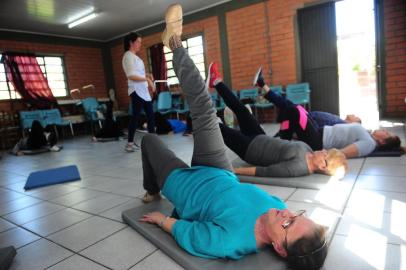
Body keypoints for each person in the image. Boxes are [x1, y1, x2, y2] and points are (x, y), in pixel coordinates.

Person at [138, 5, 328, 270]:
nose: (288, 213)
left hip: (187, 189)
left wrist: (164, 221)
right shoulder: (278, 207)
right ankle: (174, 43)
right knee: (205, 108)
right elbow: (244, 195)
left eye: (289, 223)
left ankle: (151, 187)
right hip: (219, 170)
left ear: (278, 248)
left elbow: (191, 235)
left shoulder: (231, 242)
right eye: (297, 215)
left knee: (149, 141)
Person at [205, 63, 347, 178]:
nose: (323, 150)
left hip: (250, 150)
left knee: (219, 129)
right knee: (241, 109)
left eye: (326, 154)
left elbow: (266, 172)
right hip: (260, 137)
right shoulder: (309, 150)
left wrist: (234, 170)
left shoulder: (297, 167)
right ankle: (216, 81)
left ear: (323, 165)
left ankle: (200, 115)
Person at [252, 70, 401, 158]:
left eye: (386, 133)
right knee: (293, 110)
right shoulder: (368, 135)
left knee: (293, 110)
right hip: (318, 133)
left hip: (318, 141)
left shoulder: (369, 143)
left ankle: (282, 140)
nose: (384, 130)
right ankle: (282, 140)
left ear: (382, 142)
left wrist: (324, 156)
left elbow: (341, 153)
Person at [253, 67, 361, 129]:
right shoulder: (340, 121)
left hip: (308, 120)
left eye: (356, 117)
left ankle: (261, 83)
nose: (354, 115)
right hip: (307, 116)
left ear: (354, 124)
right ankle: (261, 84)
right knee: (286, 104)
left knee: (286, 104)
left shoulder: (343, 125)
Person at [122, 32, 156, 152]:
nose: (140, 44)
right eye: (138, 42)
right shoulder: (128, 56)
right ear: (131, 42)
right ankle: (129, 144)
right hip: (136, 91)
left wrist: (147, 75)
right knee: (135, 117)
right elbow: (131, 75)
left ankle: (154, 143)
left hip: (143, 91)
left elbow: (138, 73)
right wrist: (147, 79)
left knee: (151, 116)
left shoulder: (135, 57)